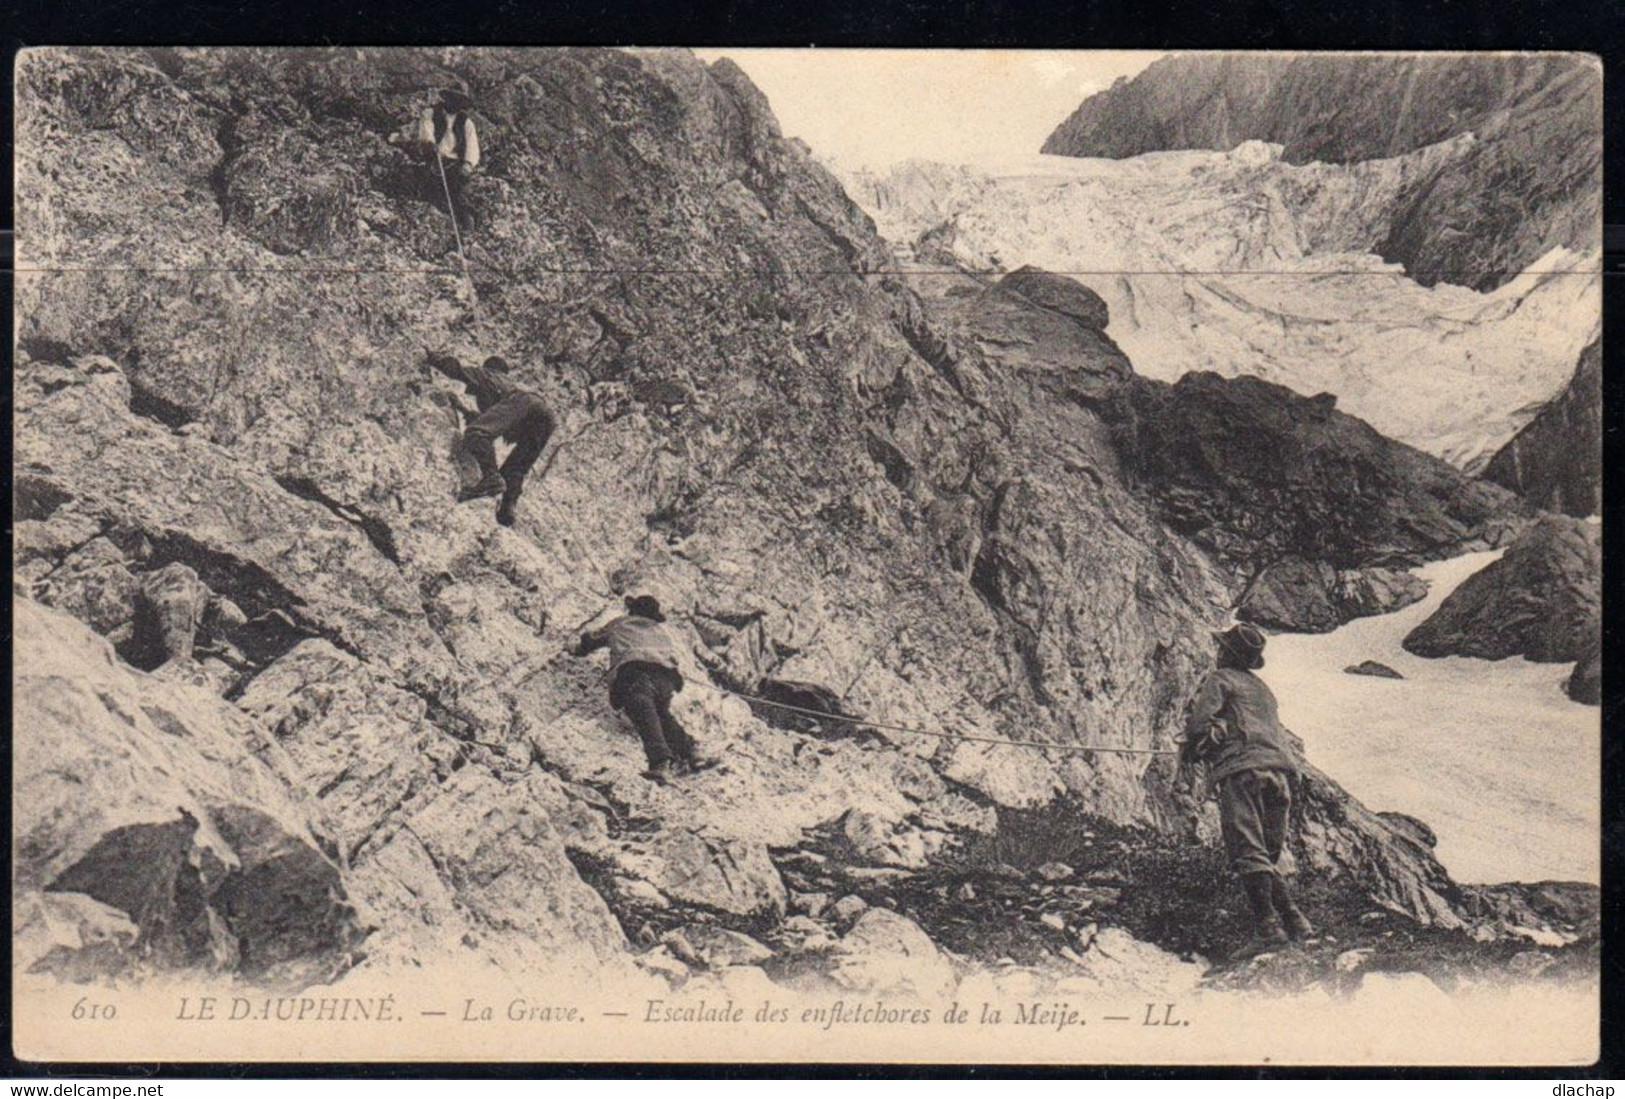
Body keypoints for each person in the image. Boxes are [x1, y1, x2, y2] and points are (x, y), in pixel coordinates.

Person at [1177, 623, 1315, 957]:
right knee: (1266, 854)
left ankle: (1268, 928)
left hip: (1244, 772)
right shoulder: (1263, 690)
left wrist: (1199, 745)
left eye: (1222, 647)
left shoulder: (1220, 679)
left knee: (1247, 850)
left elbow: (1198, 727)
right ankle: (1296, 921)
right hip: (1280, 775)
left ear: (1226, 652)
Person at [574, 595, 718, 785]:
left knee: (644, 713)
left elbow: (592, 640)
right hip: (666, 679)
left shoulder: (621, 623)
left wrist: (577, 649)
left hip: (635, 673)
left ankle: (660, 763)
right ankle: (692, 752)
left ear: (632, 611)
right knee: (661, 714)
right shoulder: (660, 631)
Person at [426, 350, 555, 527]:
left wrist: (432, 357)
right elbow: (493, 419)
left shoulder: (489, 374)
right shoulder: (507, 387)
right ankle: (507, 509)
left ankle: (491, 478)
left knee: (476, 433)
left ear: (490, 367)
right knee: (515, 469)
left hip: (525, 404)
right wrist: (462, 408)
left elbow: (457, 370)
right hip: (546, 418)